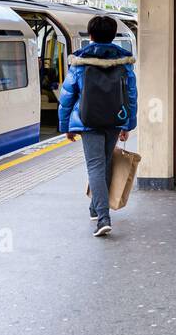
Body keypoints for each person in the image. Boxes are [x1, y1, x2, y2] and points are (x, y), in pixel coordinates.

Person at [57, 15, 137, 237]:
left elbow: (67, 96)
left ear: (90, 35)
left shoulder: (79, 62)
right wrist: (128, 124)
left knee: (95, 166)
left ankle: (103, 217)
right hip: (115, 120)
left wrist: (66, 126)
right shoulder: (124, 62)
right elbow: (131, 95)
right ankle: (95, 208)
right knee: (105, 162)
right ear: (113, 35)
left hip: (87, 121)